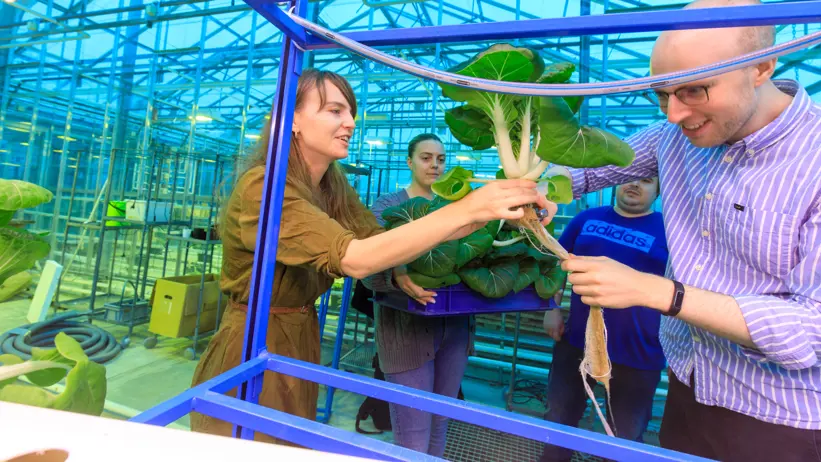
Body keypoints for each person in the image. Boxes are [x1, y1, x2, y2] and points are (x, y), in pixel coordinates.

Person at [188, 68, 557, 446]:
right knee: (246, 444)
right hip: (253, 340)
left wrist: (485, 214)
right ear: (293, 119)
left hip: (301, 334)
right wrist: (468, 208)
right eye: (334, 111)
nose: (350, 122)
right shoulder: (263, 186)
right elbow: (355, 258)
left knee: (291, 444)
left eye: (350, 112)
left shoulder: (330, 181)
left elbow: (377, 236)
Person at [547, 1, 821, 460]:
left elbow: (813, 328)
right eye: (661, 93)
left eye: (694, 90)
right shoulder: (672, 138)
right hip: (688, 382)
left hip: (779, 416)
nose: (673, 113)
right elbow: (590, 169)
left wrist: (663, 293)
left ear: (762, 67)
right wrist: (535, 186)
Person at [540, 177, 668, 462]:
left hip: (637, 352)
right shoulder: (587, 219)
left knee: (624, 436)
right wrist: (552, 308)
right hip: (576, 342)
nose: (634, 185)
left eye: (646, 181)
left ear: (658, 190)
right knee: (558, 419)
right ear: (615, 184)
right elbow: (557, 266)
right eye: (629, 179)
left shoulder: (669, 230)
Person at [362, 133, 471, 457]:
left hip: (454, 329)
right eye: (426, 158)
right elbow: (368, 270)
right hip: (404, 334)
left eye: (440, 159)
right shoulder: (387, 207)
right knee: (412, 433)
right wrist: (397, 274)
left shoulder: (459, 209)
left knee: (440, 424)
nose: (434, 165)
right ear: (409, 162)